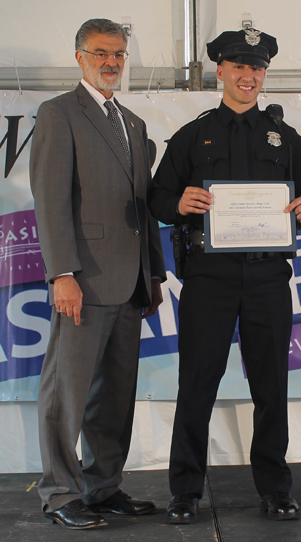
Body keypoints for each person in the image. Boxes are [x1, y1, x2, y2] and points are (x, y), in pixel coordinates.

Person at [149, 28, 301, 524]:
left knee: (272, 387)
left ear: (265, 75)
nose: (249, 76)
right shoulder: (191, 135)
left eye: (258, 68)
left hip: (268, 278)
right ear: (220, 71)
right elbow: (159, 197)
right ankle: (185, 491)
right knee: (197, 385)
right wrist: (178, 205)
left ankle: (275, 488)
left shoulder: (286, 139)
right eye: (239, 66)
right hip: (209, 277)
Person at [30, 18, 166, 530]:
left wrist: (152, 275)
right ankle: (61, 493)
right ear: (80, 56)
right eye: (101, 53)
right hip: (82, 281)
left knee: (115, 394)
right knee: (66, 392)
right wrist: (61, 272)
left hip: (131, 283)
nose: (111, 62)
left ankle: (103, 486)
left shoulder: (132, 122)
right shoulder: (58, 113)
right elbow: (51, 200)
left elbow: (143, 205)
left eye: (119, 55)